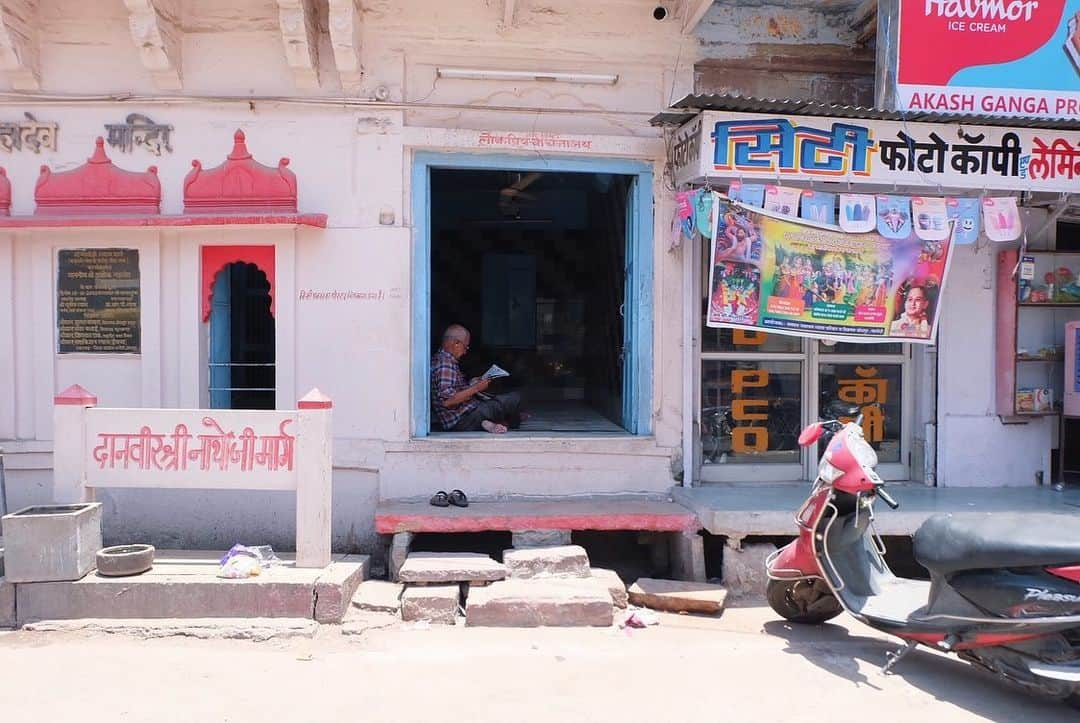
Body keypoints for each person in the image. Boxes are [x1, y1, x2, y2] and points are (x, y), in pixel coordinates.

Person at [431, 324, 522, 433]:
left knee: (500, 400)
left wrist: (471, 384)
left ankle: (489, 422)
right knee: (514, 398)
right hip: (462, 419)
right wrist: (476, 388)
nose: (465, 351)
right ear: (456, 343)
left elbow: (451, 391)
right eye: (466, 346)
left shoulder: (440, 359)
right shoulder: (445, 364)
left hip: (466, 413)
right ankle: (506, 422)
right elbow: (448, 401)